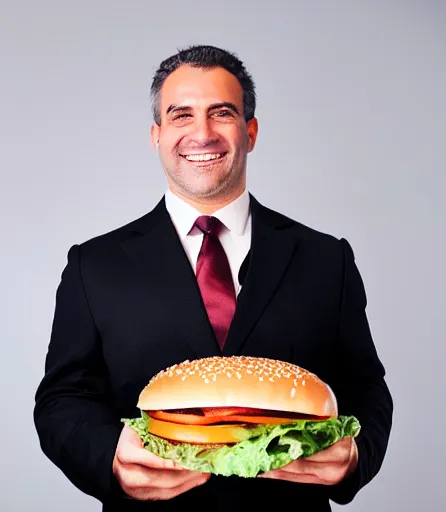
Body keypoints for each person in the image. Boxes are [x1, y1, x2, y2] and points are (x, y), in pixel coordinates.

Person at [33, 45, 393, 512]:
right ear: (157, 134)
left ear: (251, 131)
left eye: (221, 113)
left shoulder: (326, 259)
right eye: (181, 116)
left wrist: (357, 456)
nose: (201, 134)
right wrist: (110, 459)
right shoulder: (94, 265)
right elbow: (63, 399)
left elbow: (366, 386)